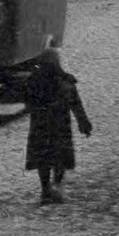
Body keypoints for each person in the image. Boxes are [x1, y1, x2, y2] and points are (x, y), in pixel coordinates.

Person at [22, 45, 92, 204]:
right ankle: (57, 187)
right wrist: (84, 124)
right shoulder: (65, 81)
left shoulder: (33, 81)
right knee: (59, 157)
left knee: (43, 159)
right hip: (60, 126)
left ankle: (45, 189)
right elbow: (76, 105)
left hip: (40, 126)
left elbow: (27, 102)